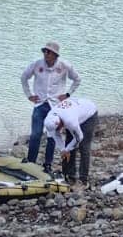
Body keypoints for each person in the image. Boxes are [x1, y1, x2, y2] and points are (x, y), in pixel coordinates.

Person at [20, 41, 81, 173]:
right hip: (40, 104)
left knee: (52, 136)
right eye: (44, 51)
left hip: (55, 106)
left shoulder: (64, 66)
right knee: (35, 134)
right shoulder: (37, 64)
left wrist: (68, 94)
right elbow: (24, 77)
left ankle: (47, 165)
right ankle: (31, 162)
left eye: (48, 52)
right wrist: (29, 95)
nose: (45, 54)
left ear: (55, 55)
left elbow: (77, 79)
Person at [43, 94, 99, 185]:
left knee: (83, 146)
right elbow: (55, 135)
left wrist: (67, 149)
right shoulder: (49, 119)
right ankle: (69, 175)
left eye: (58, 128)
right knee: (68, 144)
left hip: (89, 114)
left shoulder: (70, 121)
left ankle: (83, 178)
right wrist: (63, 149)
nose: (57, 131)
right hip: (75, 112)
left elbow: (79, 137)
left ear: (60, 123)